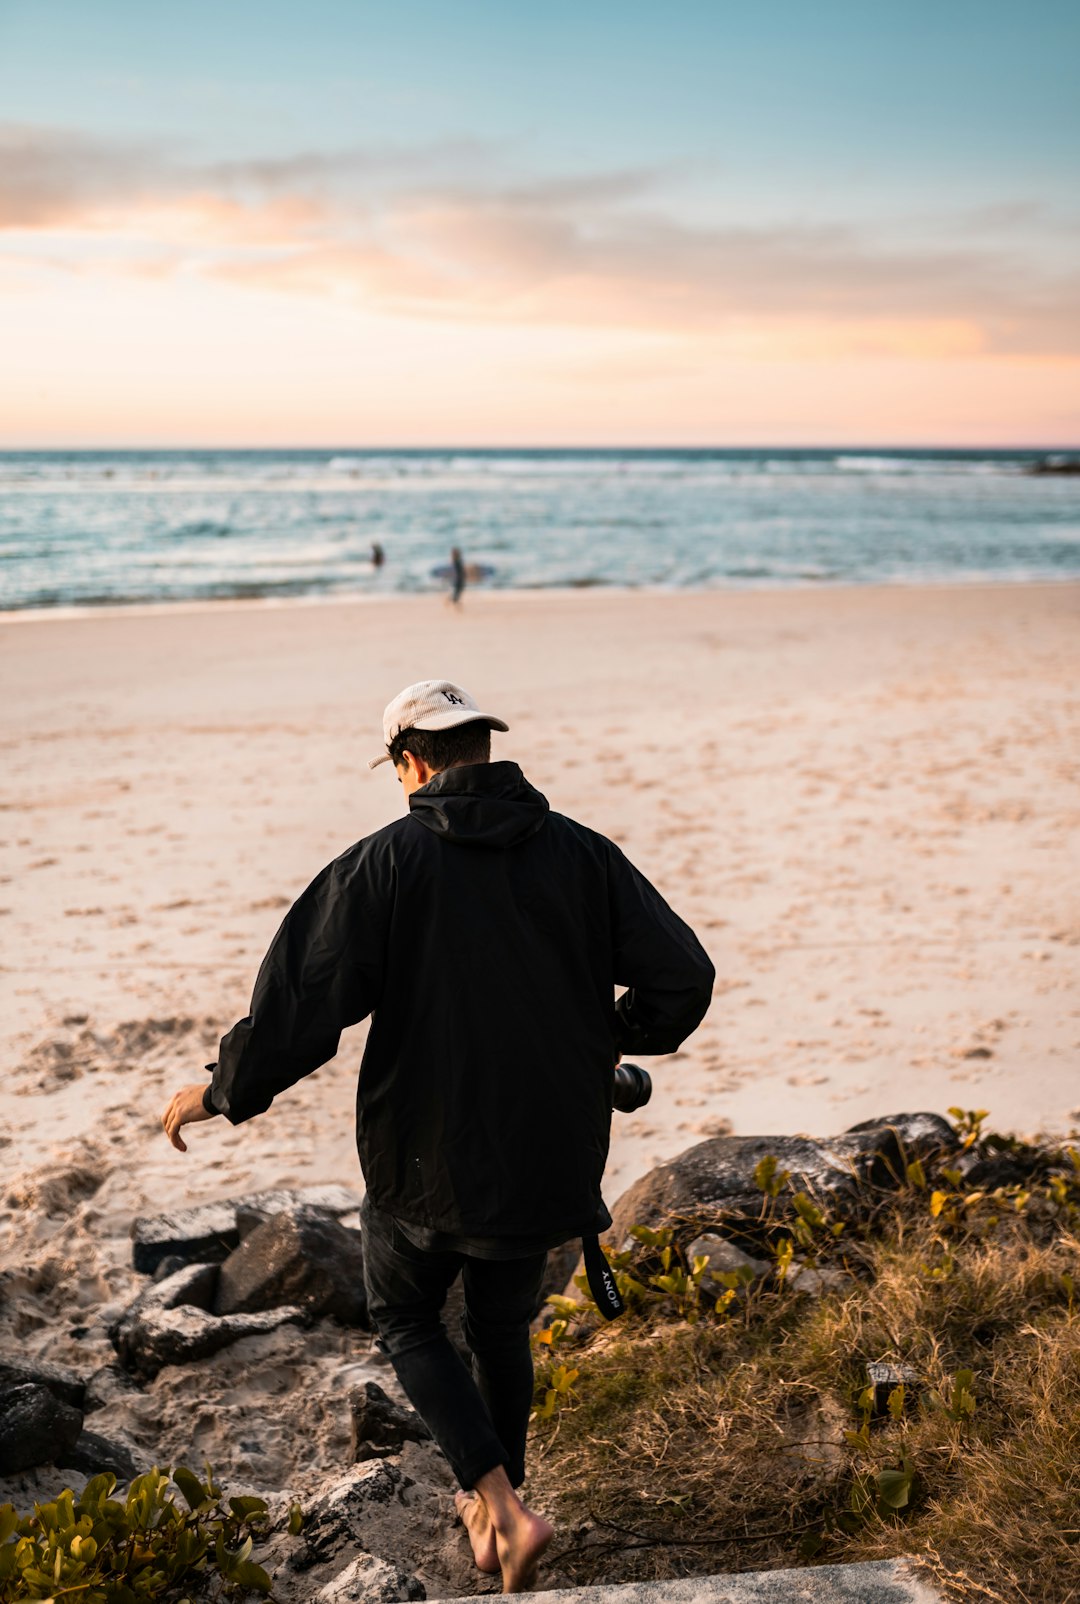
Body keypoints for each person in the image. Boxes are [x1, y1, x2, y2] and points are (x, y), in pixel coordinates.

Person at [161, 678, 715, 1594]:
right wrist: (605, 1037)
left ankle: (498, 1501)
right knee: (502, 1327)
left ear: (409, 764)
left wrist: (223, 1090)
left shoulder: (381, 866)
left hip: (423, 1160)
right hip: (548, 1152)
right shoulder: (585, 857)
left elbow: (303, 1004)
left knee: (406, 1315)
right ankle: (504, 1523)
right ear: (482, 753)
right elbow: (683, 979)